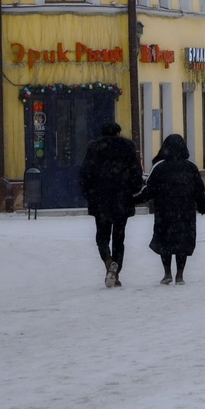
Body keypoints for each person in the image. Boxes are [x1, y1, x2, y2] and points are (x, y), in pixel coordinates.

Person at [134, 133, 205, 285]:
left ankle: (167, 273)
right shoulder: (190, 167)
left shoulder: (160, 168)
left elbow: (150, 190)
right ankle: (180, 275)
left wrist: (134, 200)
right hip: (185, 211)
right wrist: (202, 206)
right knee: (182, 242)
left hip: (165, 210)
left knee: (165, 242)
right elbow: (198, 190)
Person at [79, 121, 143, 289]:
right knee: (119, 237)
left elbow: (85, 173)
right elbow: (136, 171)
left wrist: (89, 194)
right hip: (122, 198)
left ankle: (108, 260)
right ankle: (116, 272)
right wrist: (134, 189)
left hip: (100, 199)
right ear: (118, 132)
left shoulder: (94, 148)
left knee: (102, 235)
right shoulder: (127, 147)